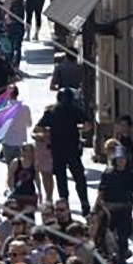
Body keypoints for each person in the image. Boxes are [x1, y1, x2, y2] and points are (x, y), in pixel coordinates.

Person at [37, 88, 92, 216]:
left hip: (57, 149)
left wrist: (49, 132)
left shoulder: (51, 111)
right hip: (73, 148)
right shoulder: (75, 110)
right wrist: (79, 128)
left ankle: (64, 203)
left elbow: (39, 127)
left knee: (61, 179)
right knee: (79, 177)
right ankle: (84, 203)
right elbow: (88, 125)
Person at [97, 150, 133, 264]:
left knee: (123, 240)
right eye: (119, 159)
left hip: (125, 211)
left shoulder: (132, 175)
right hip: (109, 211)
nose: (122, 162)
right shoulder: (108, 174)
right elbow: (101, 192)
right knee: (105, 239)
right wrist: (97, 209)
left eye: (124, 159)